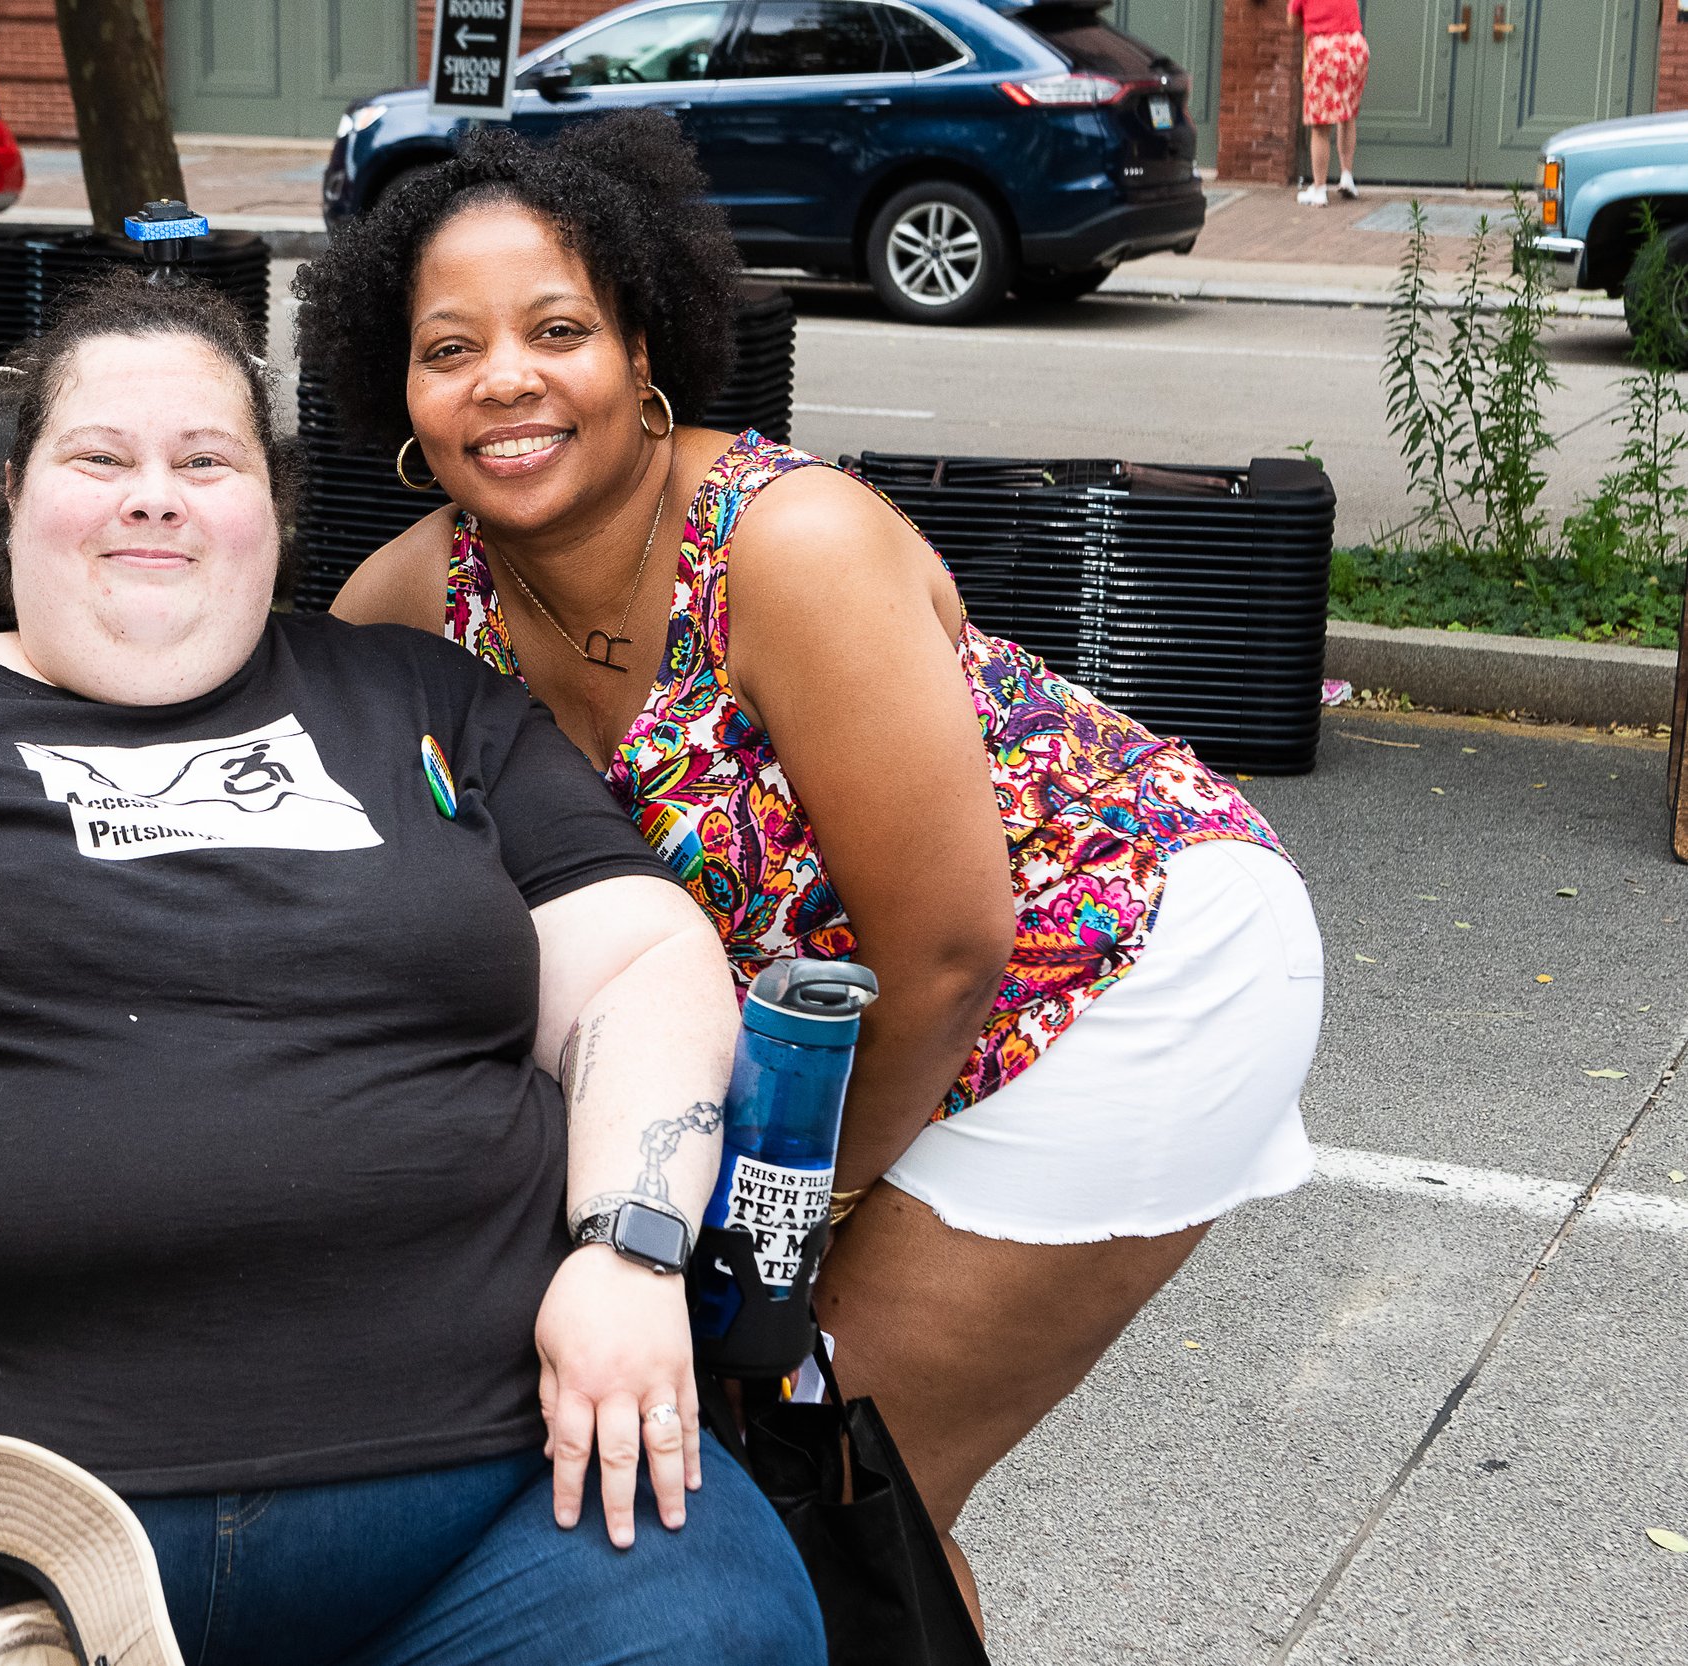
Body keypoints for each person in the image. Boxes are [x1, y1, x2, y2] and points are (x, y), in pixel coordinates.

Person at [0, 271, 824, 1666]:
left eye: (206, 460)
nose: (154, 495)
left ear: (274, 509)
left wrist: (629, 1249)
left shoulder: (421, 704)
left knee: (720, 1633)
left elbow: (636, 965)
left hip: (495, 1496)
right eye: (100, 458)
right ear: (14, 496)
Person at [301, 112, 1325, 1628]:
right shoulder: (402, 611)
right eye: (449, 347)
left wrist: (791, 1222)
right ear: (399, 386)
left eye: (559, 328)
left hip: (1120, 960)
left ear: (646, 345)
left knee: (828, 1472)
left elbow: (951, 943)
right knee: (784, 1473)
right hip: (837, 1029)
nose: (503, 378)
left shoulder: (788, 545)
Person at [1290, 0, 1368, 207]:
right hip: (1354, 47)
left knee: (1320, 125)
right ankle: (1347, 176)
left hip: (1325, 49)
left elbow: (1292, 21)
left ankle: (1319, 188)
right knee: (1347, 114)